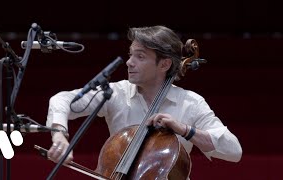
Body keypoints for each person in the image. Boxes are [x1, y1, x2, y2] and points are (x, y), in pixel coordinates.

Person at [46, 25, 242, 176]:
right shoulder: (116, 92)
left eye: (140, 56)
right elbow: (62, 100)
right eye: (131, 54)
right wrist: (59, 136)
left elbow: (234, 151)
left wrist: (184, 130)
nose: (130, 62)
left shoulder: (191, 103)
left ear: (164, 64)